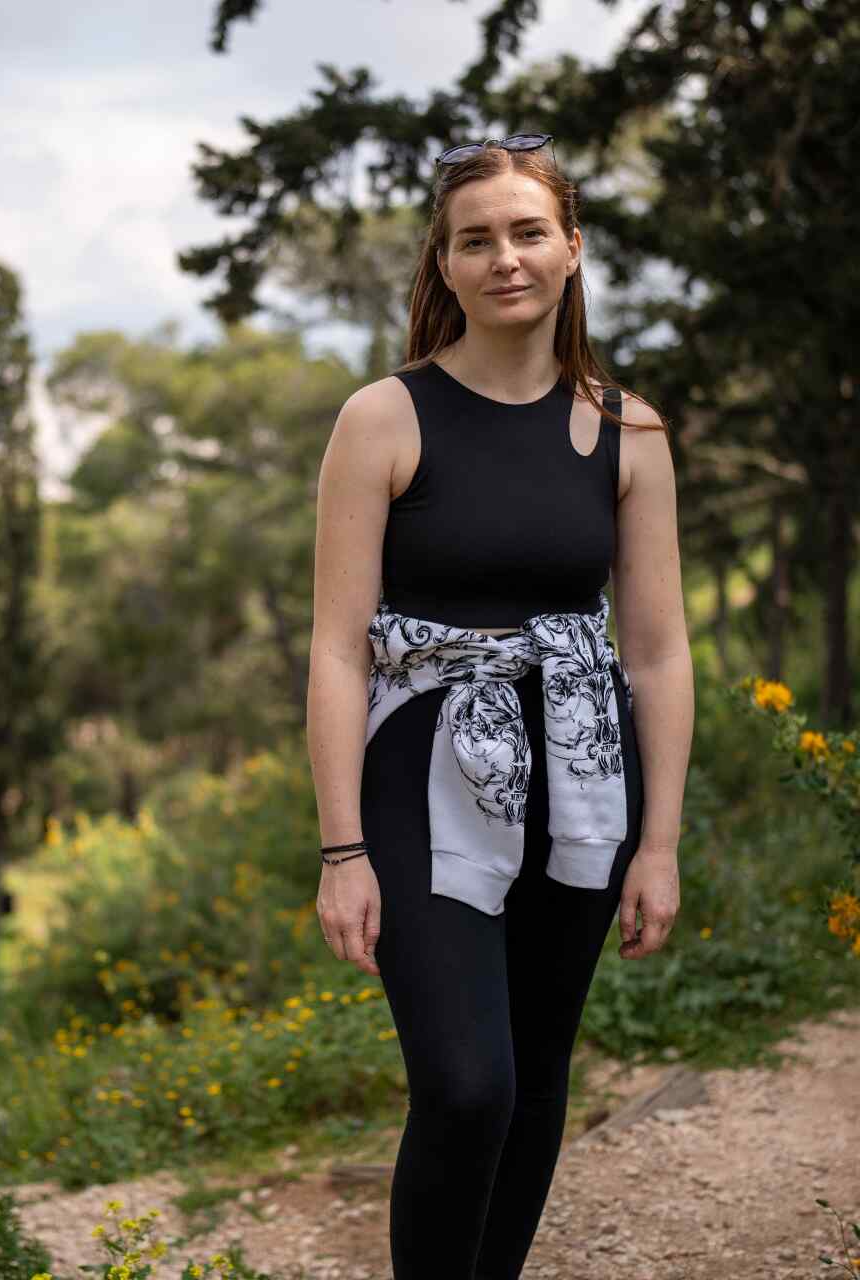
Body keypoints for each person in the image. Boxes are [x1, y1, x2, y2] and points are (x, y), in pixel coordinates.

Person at [305, 133, 693, 1279]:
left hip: (580, 775)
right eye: (475, 239)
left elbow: (660, 651)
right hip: (420, 774)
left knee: (532, 1080)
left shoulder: (626, 430)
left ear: (571, 249)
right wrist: (339, 847)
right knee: (467, 1082)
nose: (503, 257)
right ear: (445, 261)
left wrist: (658, 840)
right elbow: (334, 648)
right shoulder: (382, 417)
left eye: (528, 232)